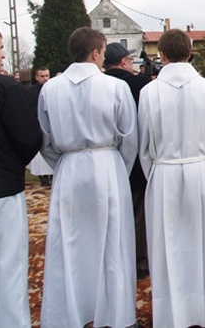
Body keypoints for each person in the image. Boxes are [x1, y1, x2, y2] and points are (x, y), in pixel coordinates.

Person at [38, 27, 139, 328]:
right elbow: (129, 137)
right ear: (95, 53)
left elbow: (45, 140)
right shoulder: (114, 88)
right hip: (107, 165)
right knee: (113, 243)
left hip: (68, 169)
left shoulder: (50, 89)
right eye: (104, 52)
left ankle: (71, 313)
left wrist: (66, 163)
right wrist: (116, 168)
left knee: (70, 243)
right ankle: (117, 315)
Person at [138, 28, 205, 327]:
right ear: (189, 53)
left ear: (161, 55)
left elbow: (144, 146)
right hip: (202, 170)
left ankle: (173, 312)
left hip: (164, 172)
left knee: (169, 245)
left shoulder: (149, 92)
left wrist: (157, 172)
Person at [0, 29, 42, 328]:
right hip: (1, 191)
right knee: (8, 267)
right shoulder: (5, 89)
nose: (2, 55)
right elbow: (28, 138)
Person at [104, 42, 152, 279]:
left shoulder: (101, 85)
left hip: (105, 159)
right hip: (137, 161)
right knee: (139, 215)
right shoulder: (141, 84)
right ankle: (140, 262)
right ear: (124, 62)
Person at [27, 66, 54, 186]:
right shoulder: (31, 92)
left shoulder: (54, 89)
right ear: (37, 77)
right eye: (42, 76)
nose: (45, 79)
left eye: (47, 76)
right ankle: (43, 177)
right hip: (37, 125)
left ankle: (53, 174)